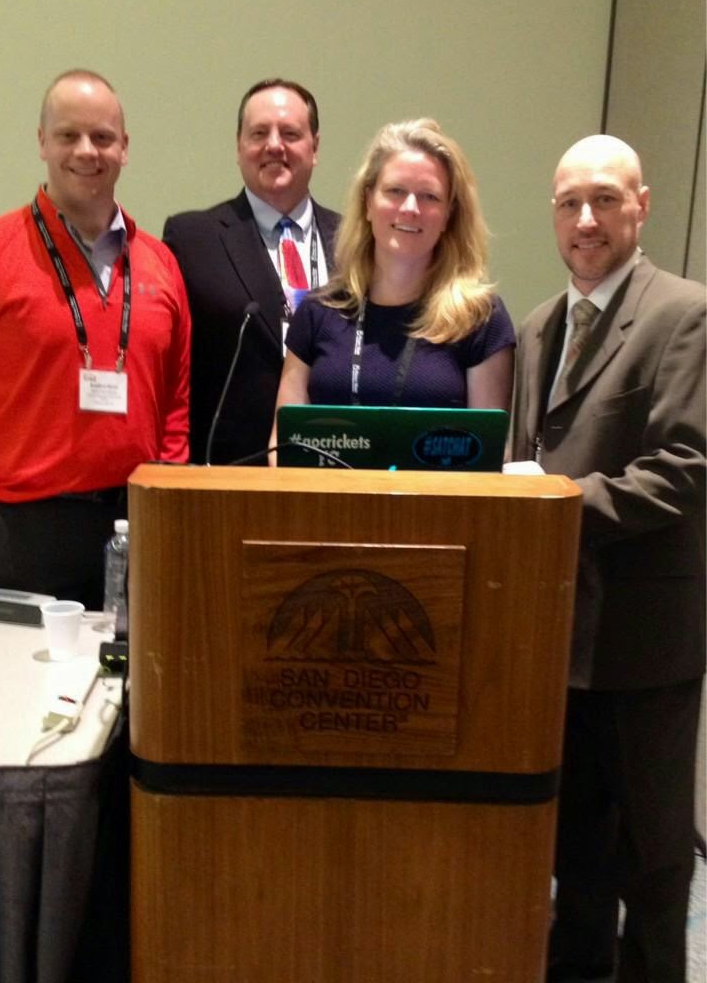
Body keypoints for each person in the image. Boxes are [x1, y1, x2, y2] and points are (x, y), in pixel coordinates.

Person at [509, 134, 705, 982]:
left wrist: (555, 502)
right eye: (569, 204)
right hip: (558, 643)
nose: (585, 220)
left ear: (642, 206)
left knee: (655, 864)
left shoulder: (685, 314)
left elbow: (685, 469)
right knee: (574, 858)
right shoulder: (536, 328)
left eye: (604, 200)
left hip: (642, 643)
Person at [0, 69, 191, 610]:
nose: (86, 151)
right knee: (15, 672)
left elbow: (176, 401)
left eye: (102, 137)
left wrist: (164, 496)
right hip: (21, 534)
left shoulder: (161, 264)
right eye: (68, 135)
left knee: (136, 669)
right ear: (41, 142)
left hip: (137, 526)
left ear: (125, 147)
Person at [271, 117, 514, 453]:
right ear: (368, 202)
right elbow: (281, 449)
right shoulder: (317, 313)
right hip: (324, 490)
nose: (410, 209)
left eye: (429, 196)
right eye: (396, 191)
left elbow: (486, 460)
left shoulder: (480, 319)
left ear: (448, 215)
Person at [163, 78, 339, 465]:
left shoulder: (356, 242)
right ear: (239, 146)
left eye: (290, 133)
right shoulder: (192, 239)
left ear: (314, 147)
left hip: (338, 463)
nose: (274, 145)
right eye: (259, 133)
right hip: (228, 470)